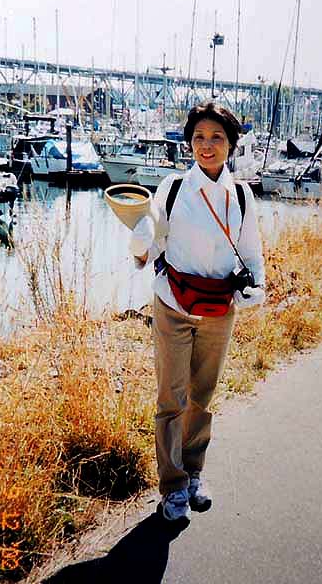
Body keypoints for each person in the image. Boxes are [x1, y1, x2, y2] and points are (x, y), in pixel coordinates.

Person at [129, 102, 265, 524]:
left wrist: (256, 289)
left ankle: (193, 473)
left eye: (217, 138)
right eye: (199, 137)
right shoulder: (171, 189)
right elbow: (151, 246)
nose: (207, 145)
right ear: (189, 141)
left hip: (220, 309)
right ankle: (172, 486)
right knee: (171, 398)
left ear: (231, 144)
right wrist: (139, 242)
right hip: (172, 303)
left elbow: (252, 251)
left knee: (202, 398)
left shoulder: (241, 195)